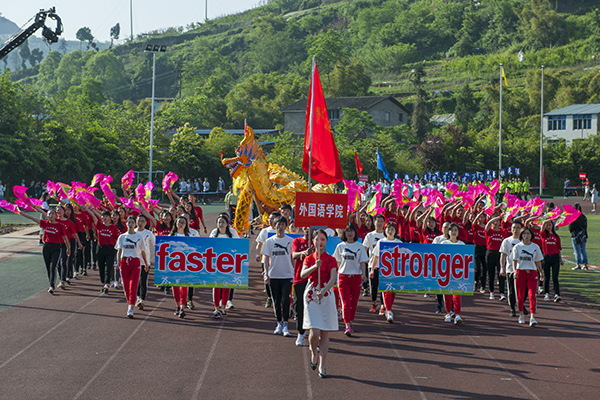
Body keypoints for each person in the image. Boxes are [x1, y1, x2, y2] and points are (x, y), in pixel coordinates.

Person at [301, 229, 338, 379]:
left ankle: (322, 364)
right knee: (314, 332)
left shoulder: (331, 259)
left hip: (326, 295)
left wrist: (324, 290)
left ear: (326, 241)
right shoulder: (309, 258)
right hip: (311, 295)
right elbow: (302, 274)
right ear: (313, 241)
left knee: (324, 332)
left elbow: (333, 278)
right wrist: (314, 266)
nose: (320, 242)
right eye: (317, 239)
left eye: (323, 239)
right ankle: (313, 352)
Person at [21, 209, 70, 293]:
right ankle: (51, 284)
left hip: (56, 247)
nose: (50, 215)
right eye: (49, 214)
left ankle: (52, 285)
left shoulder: (60, 226)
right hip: (46, 247)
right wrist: (22, 213)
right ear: (47, 216)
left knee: (53, 266)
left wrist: (68, 248)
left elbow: (65, 238)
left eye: (52, 214)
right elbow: (32, 218)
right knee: (48, 267)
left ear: (55, 216)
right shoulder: (45, 223)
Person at [261, 216, 294, 336]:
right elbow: (265, 258)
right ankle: (279, 323)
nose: (280, 227)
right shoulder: (270, 241)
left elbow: (293, 257)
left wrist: (294, 272)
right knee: (276, 300)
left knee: (285, 300)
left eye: (282, 224)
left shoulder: (290, 241)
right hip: (274, 275)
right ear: (274, 226)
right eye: (278, 225)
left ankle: (286, 325)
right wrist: (266, 273)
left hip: (287, 275)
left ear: (286, 226)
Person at [333, 224, 368, 335]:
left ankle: (350, 321)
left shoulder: (360, 246)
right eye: (347, 231)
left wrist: (364, 274)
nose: (349, 233)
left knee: (354, 302)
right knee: (345, 302)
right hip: (343, 277)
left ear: (355, 232)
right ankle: (347, 325)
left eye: (351, 230)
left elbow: (362, 262)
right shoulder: (340, 246)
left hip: (356, 277)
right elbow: (337, 262)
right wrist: (334, 275)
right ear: (344, 233)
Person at [115, 215, 148, 318]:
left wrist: (146, 264)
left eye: (132, 223)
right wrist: (117, 262)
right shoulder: (122, 237)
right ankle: (130, 301)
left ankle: (130, 308)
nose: (130, 224)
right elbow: (119, 251)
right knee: (126, 286)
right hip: (124, 262)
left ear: (135, 224)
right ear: (126, 224)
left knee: (133, 285)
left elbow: (143, 251)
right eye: (129, 222)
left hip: (135, 262)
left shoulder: (139, 237)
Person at [511, 227, 544, 327]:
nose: (526, 236)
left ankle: (532, 317)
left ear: (531, 235)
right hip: (520, 272)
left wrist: (541, 273)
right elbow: (514, 261)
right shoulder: (517, 247)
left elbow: (538, 261)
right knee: (520, 295)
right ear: (521, 235)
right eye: (524, 234)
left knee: (532, 295)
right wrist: (514, 271)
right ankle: (521, 314)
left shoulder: (535, 247)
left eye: (528, 234)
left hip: (532, 272)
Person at [209, 214, 240, 318]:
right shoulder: (214, 232)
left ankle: (223, 308)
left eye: (223, 222)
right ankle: (216, 308)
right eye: (219, 222)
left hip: (229, 263)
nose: (220, 224)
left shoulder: (232, 233)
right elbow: (209, 245)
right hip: (216, 263)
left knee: (226, 286)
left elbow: (239, 245)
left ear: (227, 224)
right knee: (216, 286)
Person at [372, 222, 402, 323]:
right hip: (384, 271)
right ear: (385, 231)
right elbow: (376, 257)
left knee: (393, 292)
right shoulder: (381, 242)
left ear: (395, 231)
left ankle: (389, 308)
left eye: (392, 229)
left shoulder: (399, 242)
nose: (390, 231)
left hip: (396, 271)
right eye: (388, 229)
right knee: (387, 291)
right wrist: (372, 269)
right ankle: (388, 310)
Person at [86, 208, 121, 294]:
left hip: (110, 249)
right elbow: (93, 215)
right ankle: (103, 282)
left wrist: (119, 249)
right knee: (101, 267)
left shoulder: (113, 227)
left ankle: (107, 284)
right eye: (103, 216)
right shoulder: (99, 225)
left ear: (109, 218)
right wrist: (88, 208)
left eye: (106, 216)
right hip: (100, 248)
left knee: (108, 267)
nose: (104, 218)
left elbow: (118, 239)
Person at [291, 227, 313, 346]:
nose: (307, 229)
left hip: (313, 279)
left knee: (313, 307)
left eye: (309, 227)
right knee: (298, 306)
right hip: (299, 278)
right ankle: (300, 332)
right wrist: (304, 253)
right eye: (305, 227)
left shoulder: (316, 241)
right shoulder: (297, 241)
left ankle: (313, 336)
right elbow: (294, 255)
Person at [499, 220, 524, 317]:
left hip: (523, 269)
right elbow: (503, 255)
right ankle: (512, 308)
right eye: (514, 228)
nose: (515, 230)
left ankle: (521, 305)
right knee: (511, 290)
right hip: (510, 269)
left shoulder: (524, 241)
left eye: (518, 228)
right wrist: (502, 267)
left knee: (523, 290)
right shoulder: (507, 241)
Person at [441, 223, 465, 325]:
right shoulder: (444, 243)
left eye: (455, 230)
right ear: (448, 232)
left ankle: (457, 314)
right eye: (452, 230)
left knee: (457, 294)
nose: (454, 232)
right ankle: (448, 313)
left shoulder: (462, 244)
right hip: (446, 272)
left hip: (458, 273)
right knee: (447, 294)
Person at [255, 211, 280, 308]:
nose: (270, 220)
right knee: (267, 278)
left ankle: (277, 297)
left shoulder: (284, 231)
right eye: (269, 218)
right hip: (266, 260)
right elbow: (259, 244)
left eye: (272, 219)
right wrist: (257, 254)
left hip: (279, 259)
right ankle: (269, 297)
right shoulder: (265, 231)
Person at [363, 214, 386, 314]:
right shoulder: (370, 235)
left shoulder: (386, 235)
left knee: (383, 287)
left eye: (381, 221)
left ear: (384, 223)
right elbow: (364, 249)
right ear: (374, 222)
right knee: (373, 286)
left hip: (385, 266)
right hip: (373, 265)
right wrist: (366, 260)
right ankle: (374, 303)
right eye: (378, 221)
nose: (379, 223)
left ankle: (383, 305)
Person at [170, 216, 191, 317]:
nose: (181, 224)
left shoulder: (189, 236)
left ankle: (182, 307)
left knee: (184, 287)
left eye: (183, 222)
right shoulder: (171, 235)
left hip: (185, 265)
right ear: (176, 223)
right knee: (175, 287)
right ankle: (177, 306)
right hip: (173, 266)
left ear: (186, 225)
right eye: (179, 222)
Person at [136, 214, 155, 310]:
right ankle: (137, 297)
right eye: (139, 221)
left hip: (145, 261)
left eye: (142, 221)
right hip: (134, 261)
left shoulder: (148, 233)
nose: (140, 223)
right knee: (136, 281)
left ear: (146, 223)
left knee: (143, 280)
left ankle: (142, 299)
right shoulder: (133, 232)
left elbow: (156, 244)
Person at [540, 220, 563, 303]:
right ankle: (546, 293)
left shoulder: (556, 236)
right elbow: (543, 224)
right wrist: (551, 219)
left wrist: (561, 259)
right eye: (547, 225)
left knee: (555, 277)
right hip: (546, 257)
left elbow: (558, 248)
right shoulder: (543, 234)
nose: (548, 227)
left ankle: (557, 294)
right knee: (546, 277)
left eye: (550, 225)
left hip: (555, 257)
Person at [569, 203, 589, 270]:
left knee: (577, 251)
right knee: (583, 250)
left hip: (576, 236)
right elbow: (585, 227)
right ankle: (585, 265)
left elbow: (571, 228)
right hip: (583, 235)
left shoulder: (573, 217)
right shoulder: (584, 217)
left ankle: (578, 265)